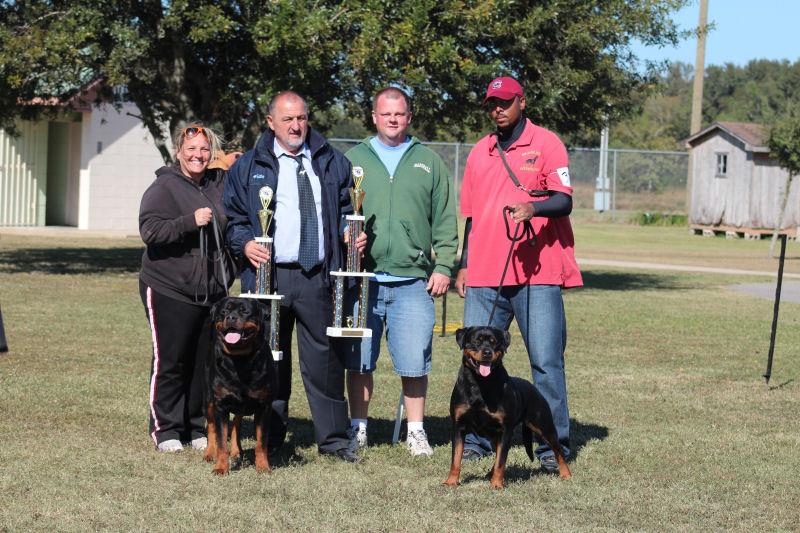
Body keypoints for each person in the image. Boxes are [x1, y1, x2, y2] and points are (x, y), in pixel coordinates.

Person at [224, 91, 365, 463]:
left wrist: (353, 233)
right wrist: (245, 244)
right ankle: (269, 438)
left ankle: (334, 440)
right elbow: (234, 219)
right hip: (267, 276)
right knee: (269, 359)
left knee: (326, 361)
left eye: (301, 117)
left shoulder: (333, 161)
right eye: (287, 119)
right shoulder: (248, 165)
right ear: (270, 122)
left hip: (318, 276)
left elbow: (348, 209)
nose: (295, 125)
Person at [454, 76, 583, 473]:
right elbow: (472, 218)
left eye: (506, 102)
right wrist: (464, 264)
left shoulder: (546, 143)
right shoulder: (480, 151)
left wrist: (533, 207)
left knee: (545, 362)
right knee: (476, 363)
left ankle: (550, 448)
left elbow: (564, 200)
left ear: (521, 102)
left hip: (537, 274)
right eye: (492, 103)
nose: (498, 109)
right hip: (485, 275)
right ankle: (476, 441)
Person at [343, 87, 458, 457]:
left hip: (413, 280)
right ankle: (358, 428)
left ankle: (416, 432)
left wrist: (442, 267)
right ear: (374, 116)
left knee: (414, 360)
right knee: (359, 359)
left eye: (400, 113)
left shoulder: (428, 161)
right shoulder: (352, 160)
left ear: (409, 117)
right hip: (364, 279)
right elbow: (336, 210)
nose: (393, 119)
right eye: (385, 113)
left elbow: (443, 219)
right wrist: (344, 235)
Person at [139, 123, 233, 452]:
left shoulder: (218, 183)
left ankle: (195, 426)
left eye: (204, 149)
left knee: (202, 362)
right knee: (171, 360)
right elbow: (149, 230)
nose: (198, 155)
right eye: (191, 149)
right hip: (169, 287)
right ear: (178, 152)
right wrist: (188, 222)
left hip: (210, 292)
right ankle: (165, 430)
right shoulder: (164, 186)